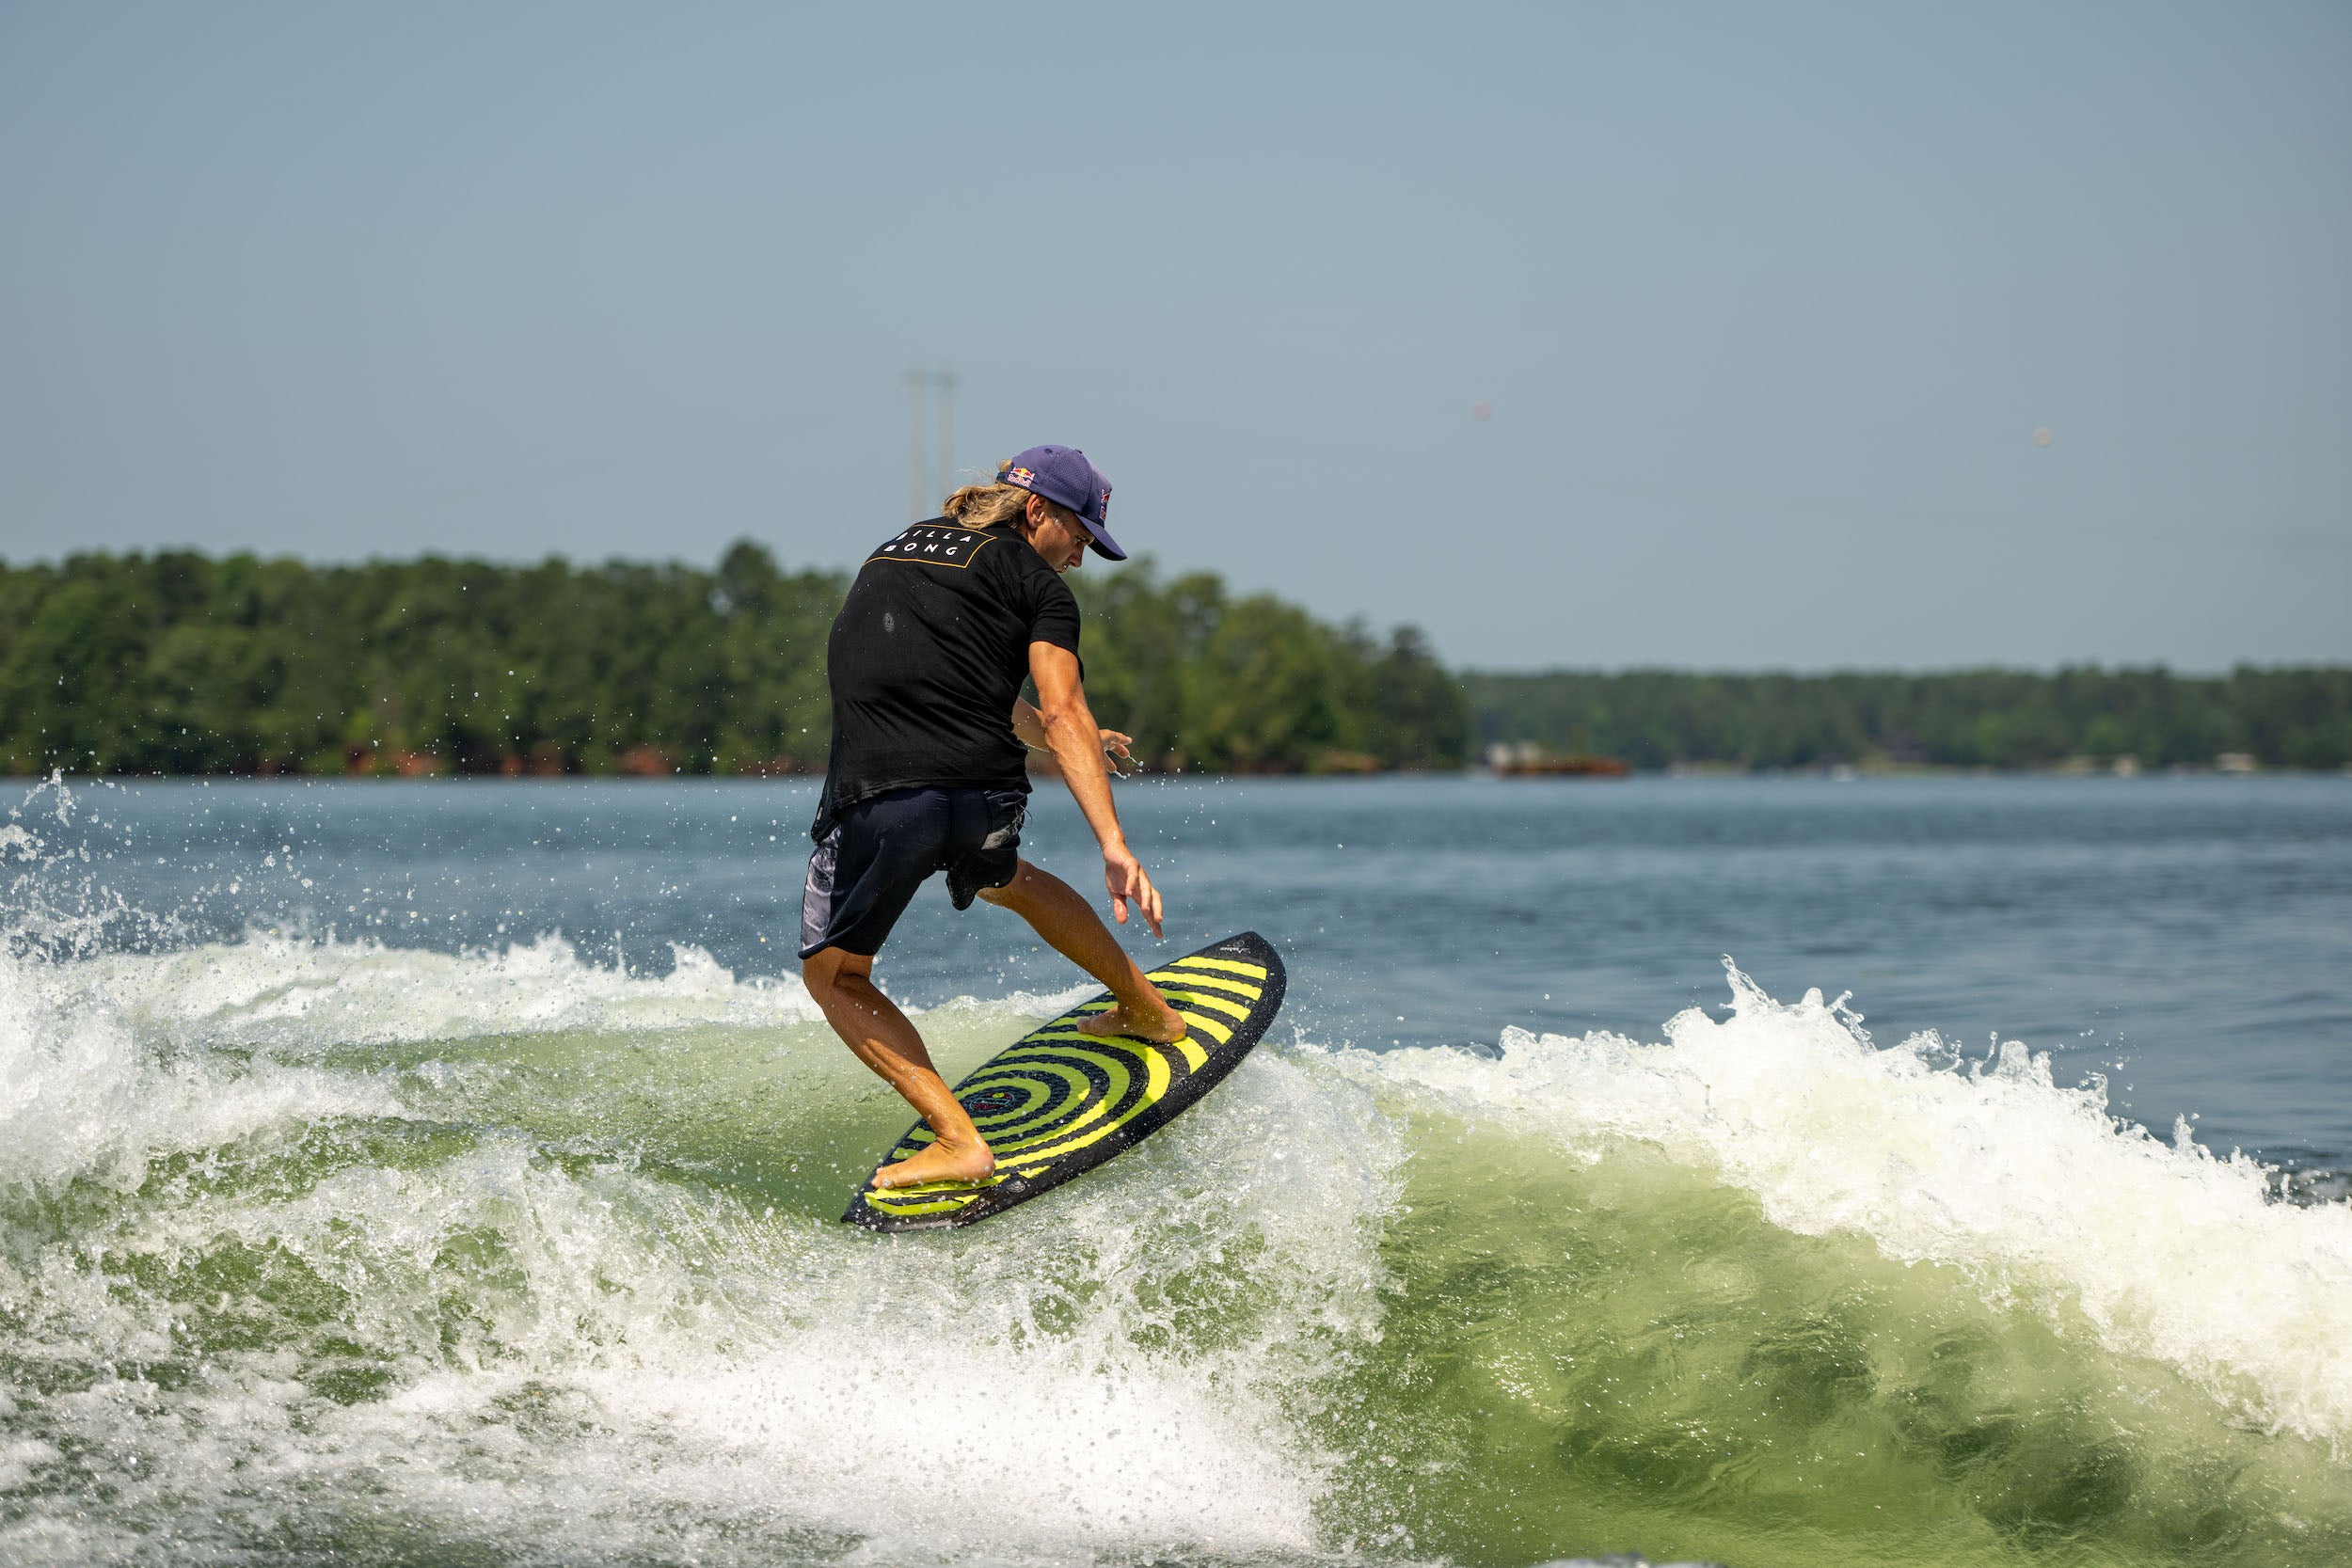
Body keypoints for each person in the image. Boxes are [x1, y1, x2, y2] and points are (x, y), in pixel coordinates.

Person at [798, 444, 1187, 1190]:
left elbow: (960, 684)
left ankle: (959, 1141)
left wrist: (1071, 738)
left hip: (882, 796)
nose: (1078, 557)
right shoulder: (1041, 589)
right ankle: (1149, 1010)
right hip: (984, 792)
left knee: (836, 977)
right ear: (1036, 510)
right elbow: (1052, 707)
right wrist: (1112, 841)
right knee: (1007, 877)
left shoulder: (897, 549)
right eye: (1078, 535)